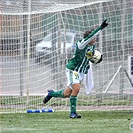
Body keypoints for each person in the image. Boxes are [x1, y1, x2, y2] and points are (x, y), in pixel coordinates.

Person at [43, 19, 108, 118]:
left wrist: (96, 59)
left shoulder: (92, 46)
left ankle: (52, 93)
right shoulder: (81, 44)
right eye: (94, 38)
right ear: (89, 39)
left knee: (66, 94)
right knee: (77, 88)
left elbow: (89, 58)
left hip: (80, 72)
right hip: (72, 70)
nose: (95, 39)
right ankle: (73, 113)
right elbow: (90, 37)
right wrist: (100, 27)